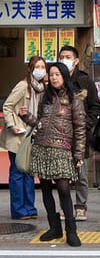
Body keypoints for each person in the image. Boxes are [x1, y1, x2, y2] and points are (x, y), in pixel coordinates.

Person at [22, 62, 86, 246]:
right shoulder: (45, 97)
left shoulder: (75, 99)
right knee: (45, 189)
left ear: (65, 76)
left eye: (57, 74)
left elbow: (80, 129)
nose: (54, 77)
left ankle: (71, 231)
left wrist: (79, 154)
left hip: (63, 149)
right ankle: (54, 228)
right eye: (52, 74)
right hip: (42, 148)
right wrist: (27, 117)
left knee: (64, 189)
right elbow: (40, 122)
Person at [58, 45, 100, 221]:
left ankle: (81, 205)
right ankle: (66, 207)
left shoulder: (84, 81)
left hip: (80, 136)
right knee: (62, 174)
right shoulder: (56, 79)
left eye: (68, 56)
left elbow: (95, 106)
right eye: (62, 57)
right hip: (60, 135)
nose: (64, 60)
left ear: (76, 60)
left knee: (81, 173)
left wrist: (86, 125)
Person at [0, 56, 47, 220]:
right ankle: (19, 210)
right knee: (18, 171)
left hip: (33, 135)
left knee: (28, 172)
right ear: (30, 69)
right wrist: (12, 125)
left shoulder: (42, 88)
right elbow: (7, 106)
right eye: (37, 67)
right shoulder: (23, 86)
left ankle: (29, 208)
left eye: (43, 67)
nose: (40, 70)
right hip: (19, 135)